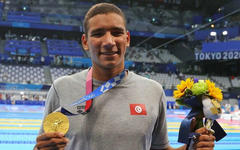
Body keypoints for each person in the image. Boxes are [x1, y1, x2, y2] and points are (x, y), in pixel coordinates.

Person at [35, 3, 215, 150]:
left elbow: (160, 149)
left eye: (116, 32)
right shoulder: (62, 88)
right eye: (98, 34)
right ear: (85, 42)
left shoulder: (152, 91)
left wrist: (193, 146)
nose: (108, 42)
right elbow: (43, 145)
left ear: (127, 38)